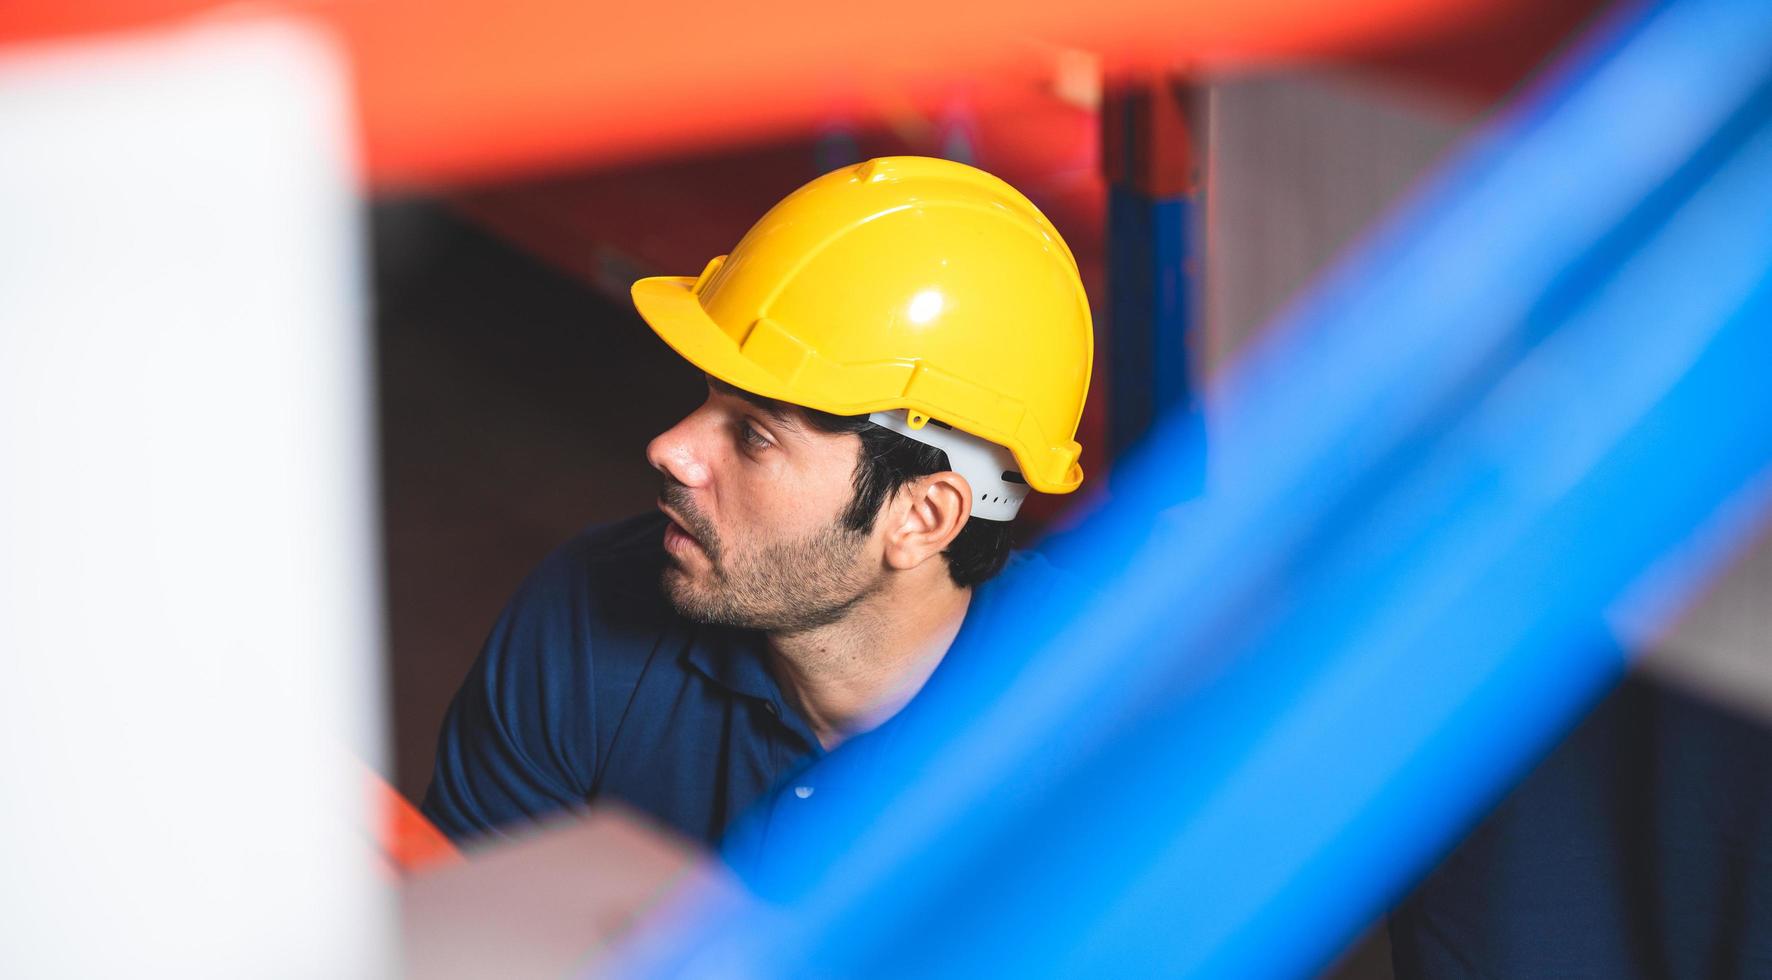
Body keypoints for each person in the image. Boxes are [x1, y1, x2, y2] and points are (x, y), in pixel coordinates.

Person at [422, 156, 1094, 848]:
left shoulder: (1112, 739)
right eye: (708, 399)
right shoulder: (584, 614)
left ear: (922, 517)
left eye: (755, 435)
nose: (670, 448)